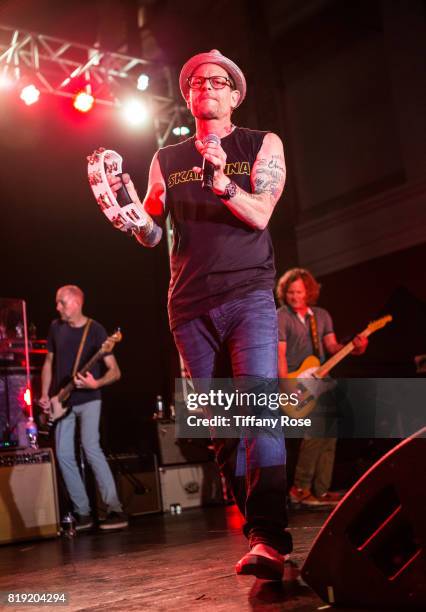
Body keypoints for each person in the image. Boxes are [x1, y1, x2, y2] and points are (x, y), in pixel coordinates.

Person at [108, 49, 292, 579]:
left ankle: (270, 540)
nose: (207, 85)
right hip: (188, 306)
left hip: (249, 296)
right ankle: (260, 529)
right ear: (188, 97)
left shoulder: (261, 144)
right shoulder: (166, 158)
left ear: (234, 94)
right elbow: (149, 232)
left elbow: (259, 214)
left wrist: (222, 182)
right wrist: (122, 210)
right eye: (196, 81)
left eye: (219, 80)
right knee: (219, 427)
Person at [276, 268, 368, 506]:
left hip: (320, 380)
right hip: (296, 381)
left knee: (330, 435)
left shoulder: (321, 316)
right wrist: (286, 386)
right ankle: (299, 488)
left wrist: (354, 346)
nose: (294, 297)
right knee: (315, 432)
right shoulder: (281, 317)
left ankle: (321, 490)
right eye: (290, 292)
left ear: (310, 292)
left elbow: (333, 347)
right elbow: (280, 355)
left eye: (299, 292)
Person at [39, 285, 127, 530]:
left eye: (61, 303)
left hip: (89, 399)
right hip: (62, 401)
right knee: (64, 454)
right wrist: (45, 394)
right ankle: (83, 512)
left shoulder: (96, 330)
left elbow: (115, 372)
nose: (57, 307)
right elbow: (48, 362)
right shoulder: (56, 328)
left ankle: (115, 509)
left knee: (91, 448)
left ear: (76, 303)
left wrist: (95, 383)